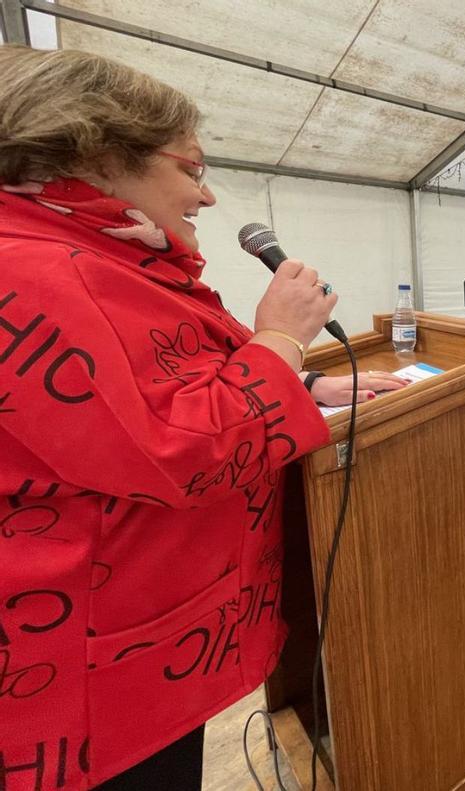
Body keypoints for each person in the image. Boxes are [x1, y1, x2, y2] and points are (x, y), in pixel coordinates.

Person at [0, 46, 411, 790]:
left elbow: (166, 385)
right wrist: (282, 337)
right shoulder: (28, 269)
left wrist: (302, 383)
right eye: (190, 168)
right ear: (94, 151)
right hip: (88, 696)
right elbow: (170, 450)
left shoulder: (102, 254)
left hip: (142, 657)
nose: (209, 196)